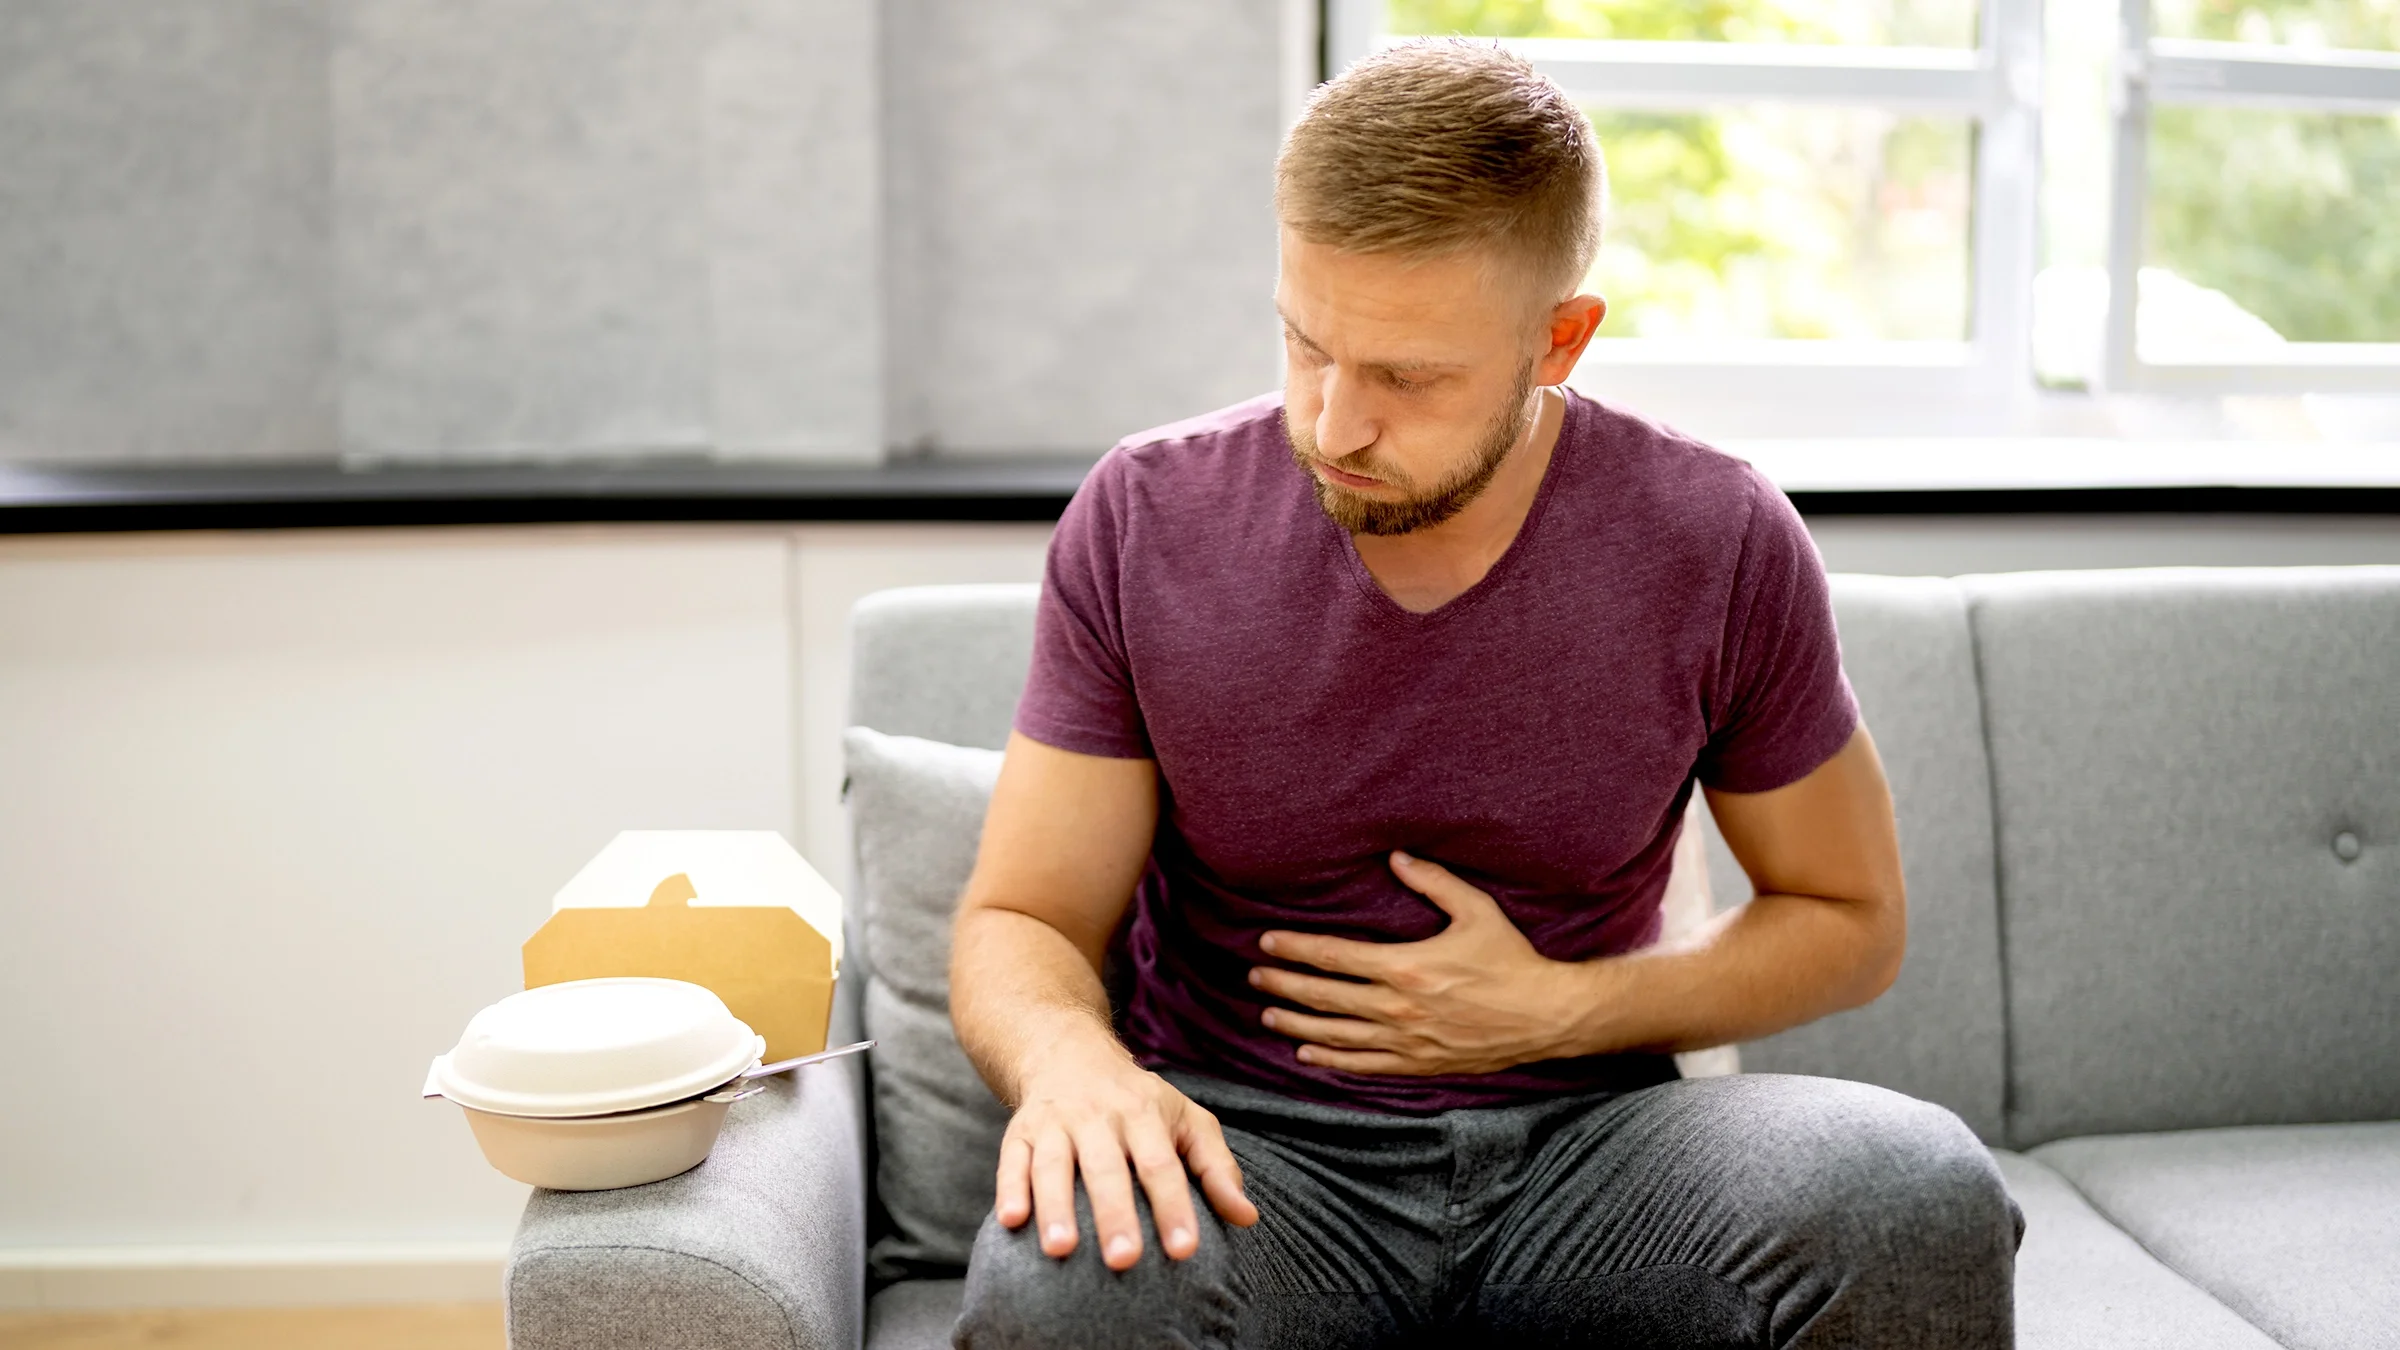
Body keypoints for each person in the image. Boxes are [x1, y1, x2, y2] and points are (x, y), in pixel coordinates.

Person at [945, 37, 2021, 1349]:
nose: (1335, 422)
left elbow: (1852, 917)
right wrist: (1075, 1068)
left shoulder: (1718, 538)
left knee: (1921, 1191)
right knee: (1058, 1284)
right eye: (1304, 342)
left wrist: (1563, 1007)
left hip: (1599, 1148)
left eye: (1408, 378)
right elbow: (1021, 915)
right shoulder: (1146, 518)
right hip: (1253, 1155)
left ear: (1558, 340)